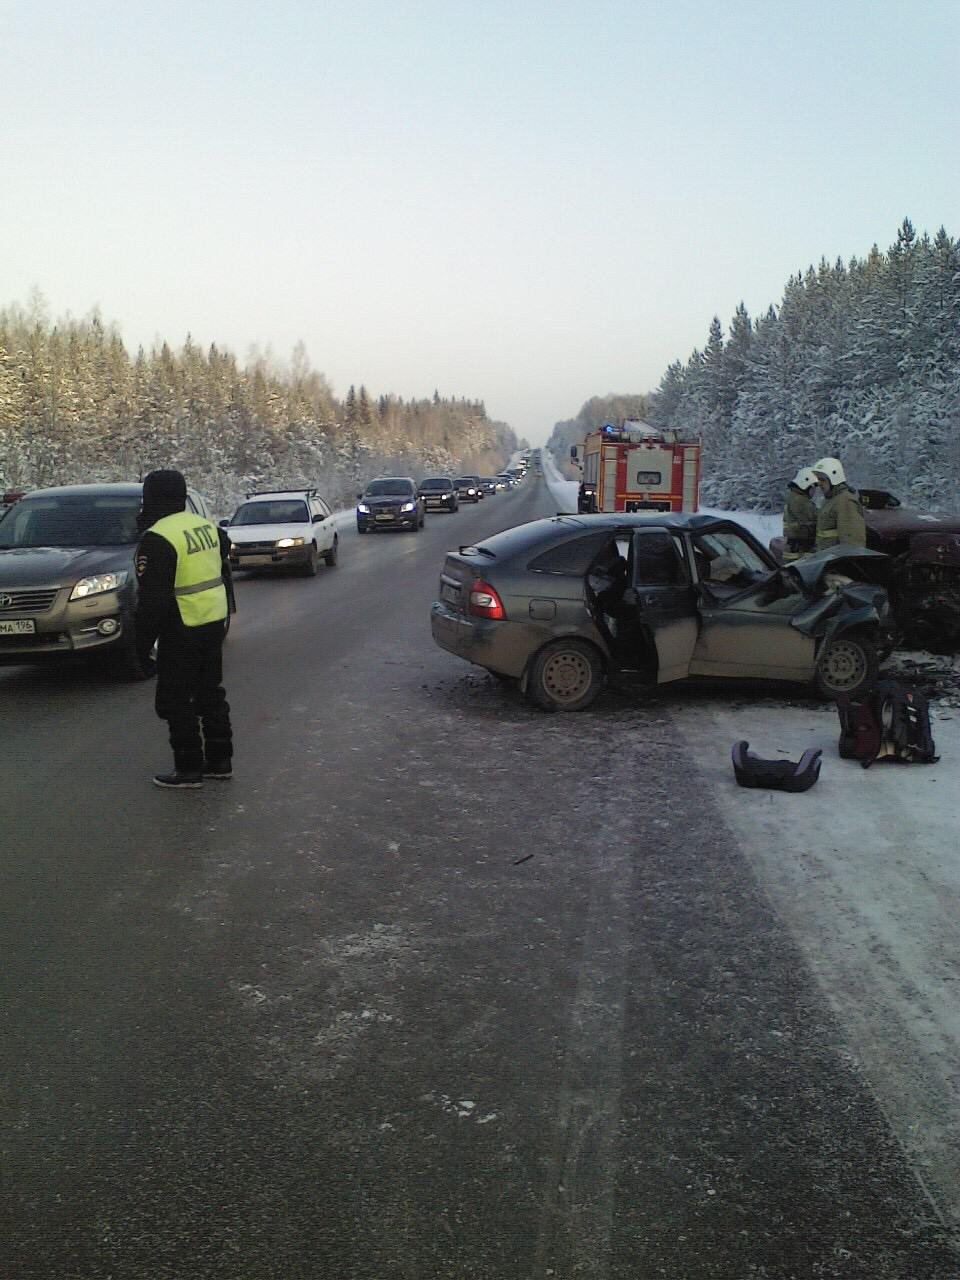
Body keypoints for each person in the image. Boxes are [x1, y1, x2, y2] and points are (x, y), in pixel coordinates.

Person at [135, 469, 234, 789]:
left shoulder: (158, 538)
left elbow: (153, 600)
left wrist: (141, 647)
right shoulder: (207, 528)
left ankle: (188, 768)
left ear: (150, 497)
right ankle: (220, 761)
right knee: (210, 693)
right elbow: (220, 568)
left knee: (175, 700)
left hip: (181, 627)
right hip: (212, 622)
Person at [811, 456, 866, 551]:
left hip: (837, 563)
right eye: (818, 479)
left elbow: (853, 544)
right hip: (827, 560)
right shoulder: (829, 500)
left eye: (822, 480)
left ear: (834, 479)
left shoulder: (845, 502)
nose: (819, 483)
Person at [782, 467, 818, 560]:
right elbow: (818, 519)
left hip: (793, 548)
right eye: (813, 487)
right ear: (806, 484)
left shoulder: (793, 496)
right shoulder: (801, 501)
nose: (814, 491)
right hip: (800, 551)